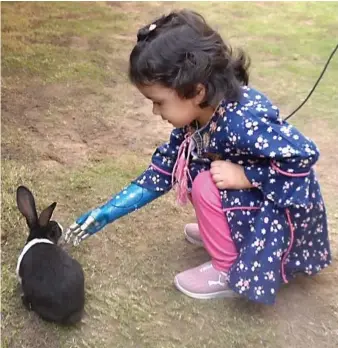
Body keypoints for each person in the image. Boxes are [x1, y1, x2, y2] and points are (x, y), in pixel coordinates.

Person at [64, 9, 331, 305]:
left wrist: (244, 176)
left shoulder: (242, 120)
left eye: (158, 102)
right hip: (249, 197)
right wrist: (106, 212)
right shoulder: (198, 115)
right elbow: (164, 170)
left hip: (278, 215)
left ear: (196, 90)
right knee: (192, 170)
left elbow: (303, 156)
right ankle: (226, 233)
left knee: (205, 182)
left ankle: (227, 268)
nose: (155, 111)